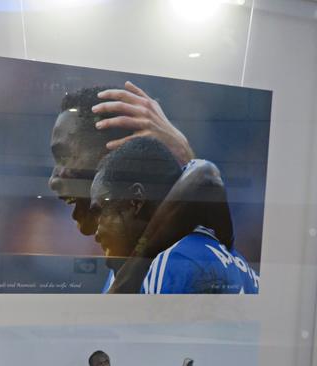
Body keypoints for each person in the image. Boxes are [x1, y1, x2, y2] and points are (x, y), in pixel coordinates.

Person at [48, 83, 234, 257]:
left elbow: (205, 179)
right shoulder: (124, 258)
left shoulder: (182, 261)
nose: (52, 181)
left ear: (116, 153)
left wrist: (184, 154)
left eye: (64, 156)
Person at [91, 137, 259, 294]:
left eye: (101, 213)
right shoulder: (235, 262)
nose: (96, 233)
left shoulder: (172, 262)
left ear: (135, 201)